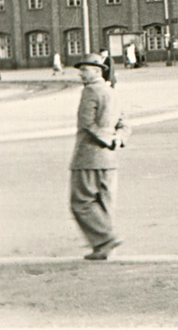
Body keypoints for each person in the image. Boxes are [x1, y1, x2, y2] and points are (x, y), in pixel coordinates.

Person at [70, 53, 131, 260]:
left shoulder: (90, 91)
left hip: (89, 156)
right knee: (105, 203)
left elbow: (88, 123)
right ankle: (103, 249)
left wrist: (105, 139)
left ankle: (106, 238)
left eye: (84, 70)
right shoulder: (112, 91)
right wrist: (117, 139)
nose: (81, 74)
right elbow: (124, 123)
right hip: (110, 159)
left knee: (82, 202)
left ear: (97, 71)